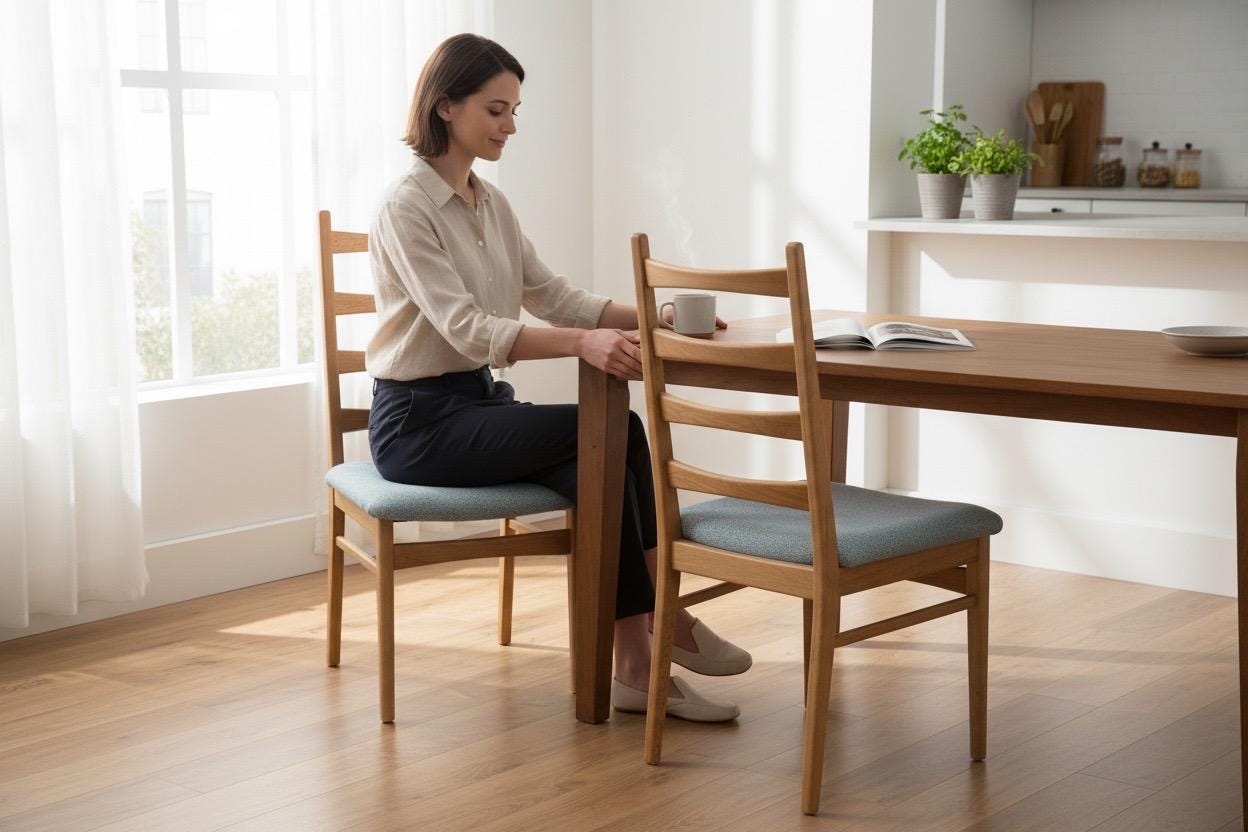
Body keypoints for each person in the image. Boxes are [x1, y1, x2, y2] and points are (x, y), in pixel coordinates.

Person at [366, 33, 750, 722]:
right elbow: (467, 331)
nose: (511, 126)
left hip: (478, 407)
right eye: (496, 110)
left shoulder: (492, 205)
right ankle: (666, 617)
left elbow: (560, 298)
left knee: (598, 461)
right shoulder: (405, 207)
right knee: (616, 430)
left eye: (515, 110)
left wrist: (656, 315)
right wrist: (586, 345)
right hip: (417, 425)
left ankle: (633, 666)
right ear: (445, 106)